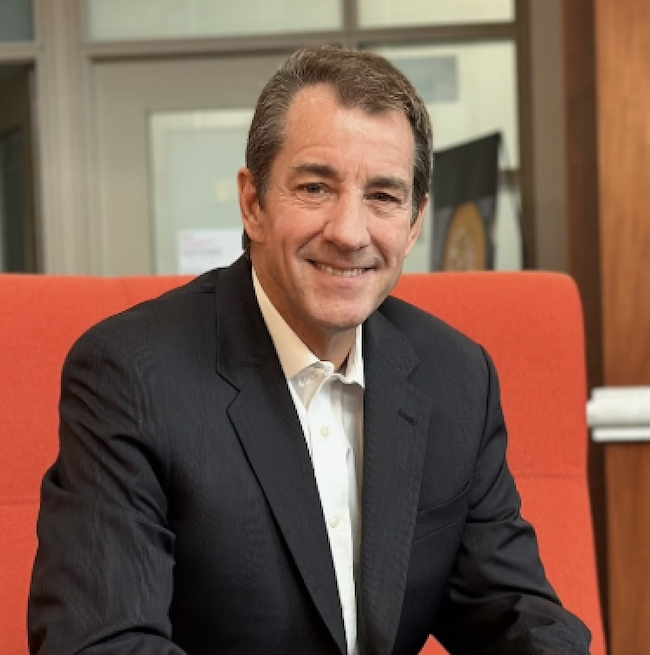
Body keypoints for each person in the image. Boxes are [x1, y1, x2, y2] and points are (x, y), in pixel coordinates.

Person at [28, 46, 592, 655]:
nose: (350, 232)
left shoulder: (455, 376)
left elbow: (514, 611)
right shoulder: (131, 375)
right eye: (316, 187)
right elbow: (102, 643)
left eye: (383, 196)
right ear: (253, 204)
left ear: (415, 221)